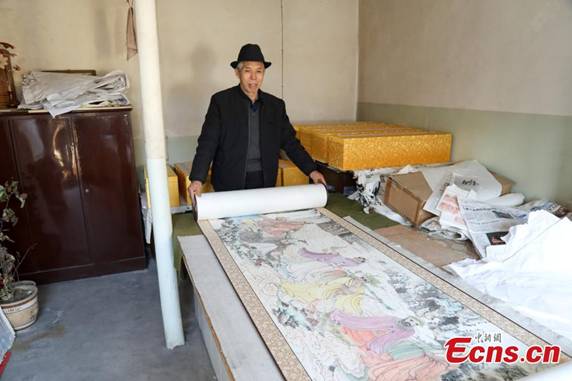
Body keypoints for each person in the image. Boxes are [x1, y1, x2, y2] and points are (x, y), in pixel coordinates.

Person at [188, 43, 325, 199]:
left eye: (259, 71)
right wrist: (197, 179)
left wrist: (312, 171)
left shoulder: (275, 106)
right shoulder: (221, 102)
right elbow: (208, 143)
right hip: (228, 181)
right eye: (248, 71)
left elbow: (290, 143)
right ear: (237, 73)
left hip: (264, 181)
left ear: (263, 73)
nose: (254, 77)